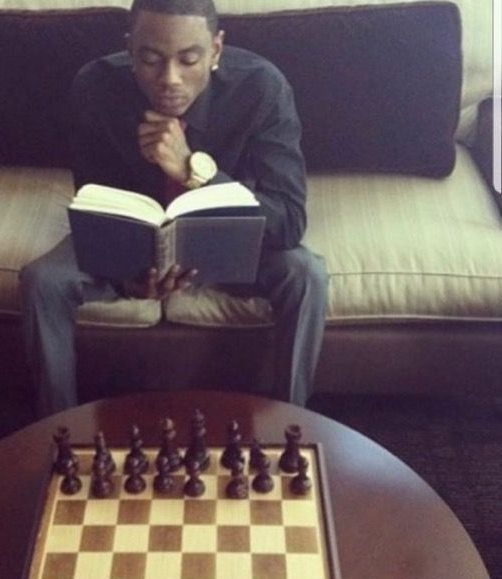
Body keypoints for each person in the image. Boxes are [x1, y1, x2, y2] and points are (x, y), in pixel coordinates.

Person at [20, 0, 328, 417]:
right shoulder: (95, 87)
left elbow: (289, 219)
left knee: (306, 274)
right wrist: (130, 279)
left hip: (233, 241)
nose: (170, 79)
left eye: (189, 60)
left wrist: (192, 170)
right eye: (150, 60)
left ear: (216, 49)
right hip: (136, 250)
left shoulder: (261, 88)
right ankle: (57, 430)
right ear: (130, 50)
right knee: (43, 281)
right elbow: (95, 204)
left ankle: (291, 423)